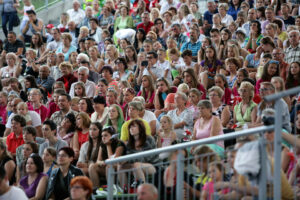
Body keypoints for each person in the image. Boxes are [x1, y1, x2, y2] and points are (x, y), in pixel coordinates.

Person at [119, 119, 158, 186]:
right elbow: (128, 156)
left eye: (134, 126)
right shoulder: (129, 143)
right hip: (136, 165)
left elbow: (147, 158)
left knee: (136, 165)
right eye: (130, 127)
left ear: (140, 128)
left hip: (153, 165)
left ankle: (142, 190)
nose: (131, 129)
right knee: (120, 167)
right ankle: (125, 190)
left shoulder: (148, 139)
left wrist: (128, 159)